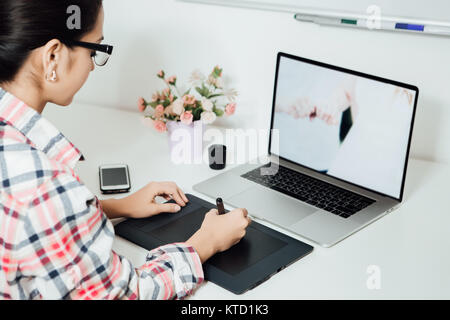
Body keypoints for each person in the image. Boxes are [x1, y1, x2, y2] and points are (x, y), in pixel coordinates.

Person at [0, 0, 251, 300]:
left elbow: (23, 225)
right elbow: (131, 293)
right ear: (53, 56)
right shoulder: (46, 190)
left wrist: (115, 206)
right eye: (93, 50)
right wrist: (207, 241)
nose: (92, 64)